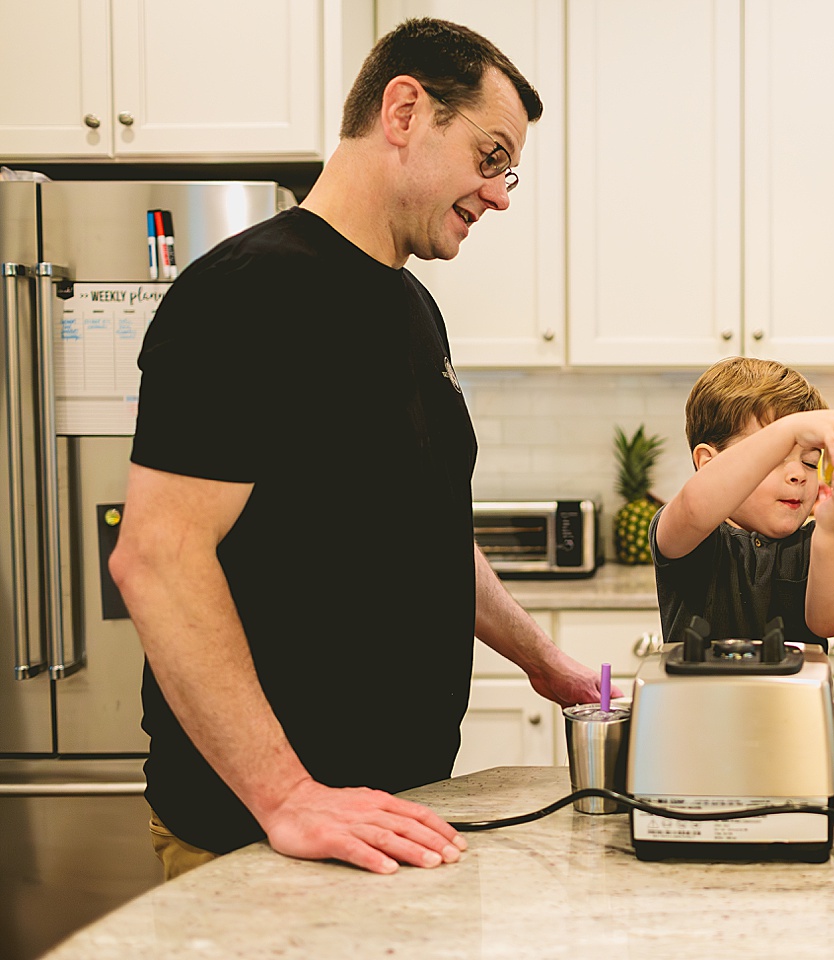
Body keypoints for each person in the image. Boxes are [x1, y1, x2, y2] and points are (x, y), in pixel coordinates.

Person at [108, 18, 612, 879]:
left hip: (391, 819)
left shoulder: (412, 310)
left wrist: (544, 660)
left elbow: (430, 538)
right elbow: (156, 557)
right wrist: (286, 795)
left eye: (510, 170)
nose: (501, 193)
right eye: (490, 157)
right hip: (258, 839)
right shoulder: (248, 294)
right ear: (406, 110)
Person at [650, 356, 834, 648]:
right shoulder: (694, 537)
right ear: (708, 464)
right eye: (774, 458)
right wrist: (789, 430)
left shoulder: (815, 543)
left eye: (809, 462)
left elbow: (830, 622)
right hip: (702, 695)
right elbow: (693, 506)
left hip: (794, 696)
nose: (797, 475)